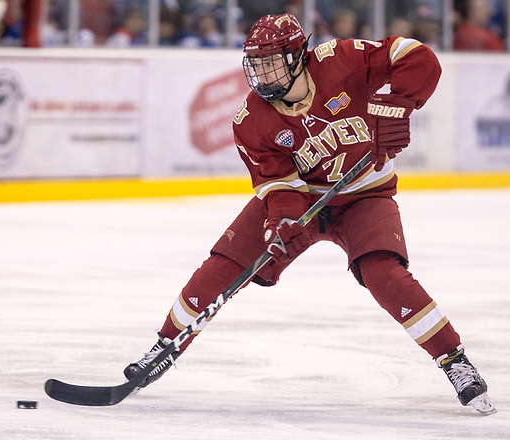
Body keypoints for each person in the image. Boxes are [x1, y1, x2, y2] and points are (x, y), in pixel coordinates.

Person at [123, 13, 496, 415]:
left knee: (384, 273)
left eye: (272, 61)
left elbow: (418, 57)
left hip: (363, 196)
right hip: (302, 206)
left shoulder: (344, 60)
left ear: (298, 54)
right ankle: (164, 346)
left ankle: (454, 360)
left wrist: (399, 105)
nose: (262, 73)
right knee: (225, 264)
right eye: (256, 63)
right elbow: (278, 184)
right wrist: (281, 220)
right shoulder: (251, 121)